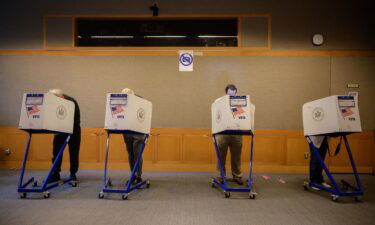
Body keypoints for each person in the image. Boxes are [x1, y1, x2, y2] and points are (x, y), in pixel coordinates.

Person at [48, 89, 81, 183]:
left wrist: (68, 129)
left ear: (60, 97)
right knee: (56, 151)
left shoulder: (72, 102)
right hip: (59, 129)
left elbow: (76, 119)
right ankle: (56, 173)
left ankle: (73, 173)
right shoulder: (54, 102)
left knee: (73, 152)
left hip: (73, 130)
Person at [216, 84, 244, 185]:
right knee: (221, 155)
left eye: (233, 94)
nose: (231, 97)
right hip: (222, 132)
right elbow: (216, 117)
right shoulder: (219, 102)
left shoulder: (240, 102)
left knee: (236, 156)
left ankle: (237, 175)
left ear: (236, 93)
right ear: (226, 93)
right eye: (229, 95)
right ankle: (221, 175)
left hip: (236, 132)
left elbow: (242, 116)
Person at [121, 88, 146, 184]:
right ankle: (133, 175)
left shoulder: (140, 102)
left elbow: (143, 116)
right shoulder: (122, 102)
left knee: (137, 154)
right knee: (131, 154)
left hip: (139, 132)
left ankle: (138, 176)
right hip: (127, 132)